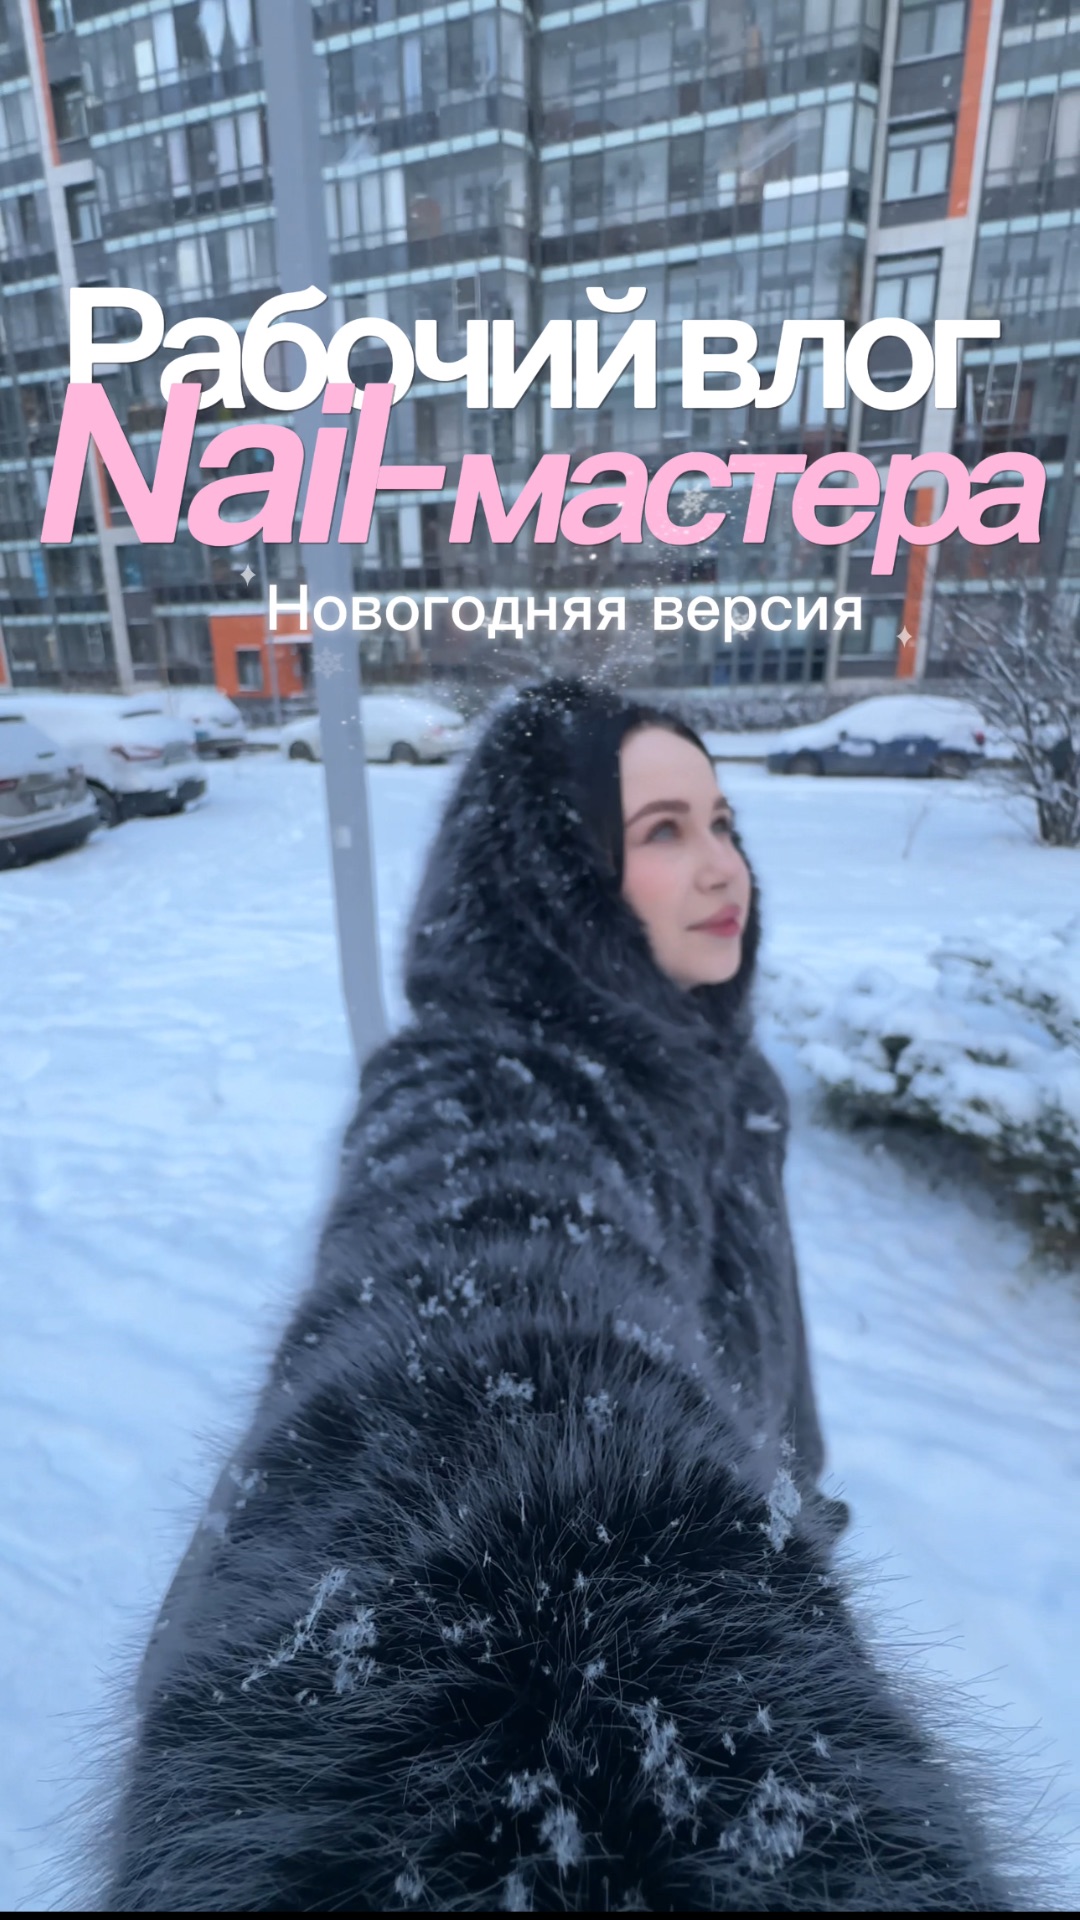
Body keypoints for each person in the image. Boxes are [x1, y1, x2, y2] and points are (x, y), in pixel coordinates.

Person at [97, 678, 1021, 1912]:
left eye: (723, 819)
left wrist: (794, 1496)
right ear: (549, 877)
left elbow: (769, 1343)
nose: (723, 866)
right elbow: (479, 1269)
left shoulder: (729, 1078)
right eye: (661, 830)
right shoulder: (474, 1082)